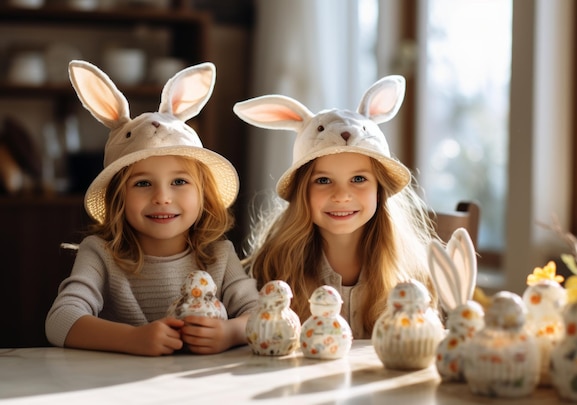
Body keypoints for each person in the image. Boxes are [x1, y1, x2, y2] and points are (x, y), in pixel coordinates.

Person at [45, 60, 258, 356]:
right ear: (118, 197)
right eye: (143, 184)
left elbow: (261, 314)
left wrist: (230, 332)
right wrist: (133, 339)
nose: (162, 197)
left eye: (179, 182)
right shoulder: (99, 253)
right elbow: (60, 320)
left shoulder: (219, 256)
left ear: (203, 195)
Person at [234, 75, 438, 339]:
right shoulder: (275, 266)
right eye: (323, 180)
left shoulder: (410, 272)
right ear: (302, 191)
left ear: (380, 188)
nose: (341, 195)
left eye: (358, 179)